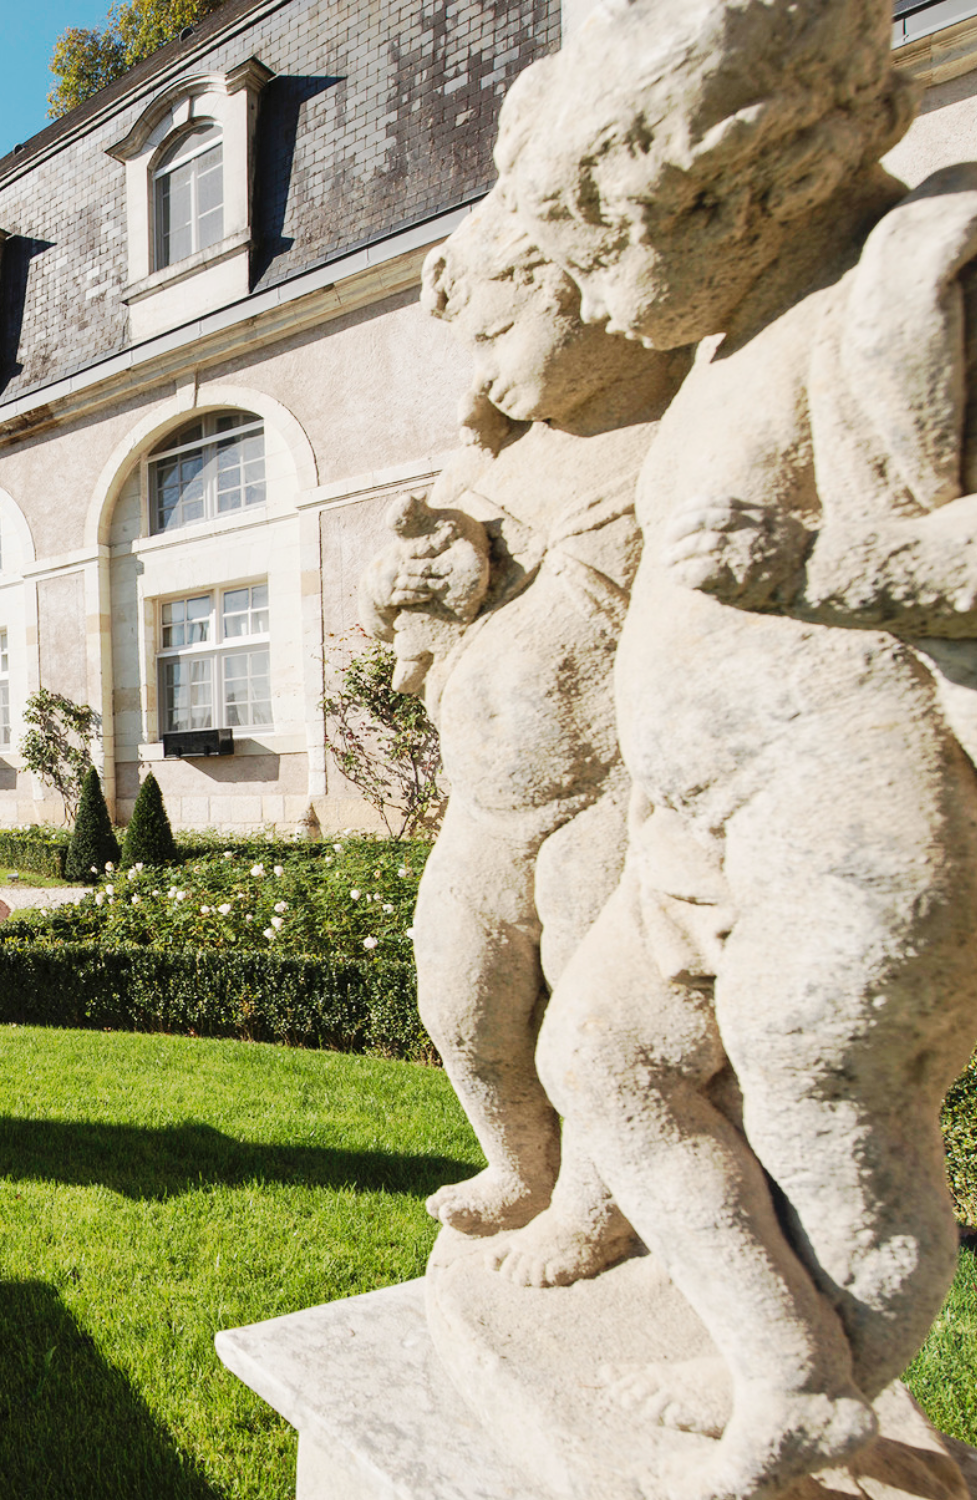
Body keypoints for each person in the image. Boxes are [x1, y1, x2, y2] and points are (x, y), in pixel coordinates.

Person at [488, 3, 977, 1493]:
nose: (593, 301)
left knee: (828, 1101)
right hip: (703, 837)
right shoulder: (728, 328)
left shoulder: (907, 288)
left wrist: (826, 570)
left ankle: (830, 1381)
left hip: (860, 815)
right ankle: (788, 1369)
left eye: (600, 254)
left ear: (739, 179)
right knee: (601, 1054)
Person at [362, 197, 684, 1285]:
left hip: (606, 796)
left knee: (590, 1021)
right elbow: (403, 589)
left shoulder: (676, 437)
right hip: (481, 806)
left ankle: (597, 1206)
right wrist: (391, 581)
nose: (485, 370)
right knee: (456, 995)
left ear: (585, 295)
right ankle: (517, 1163)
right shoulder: (497, 462)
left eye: (498, 335)